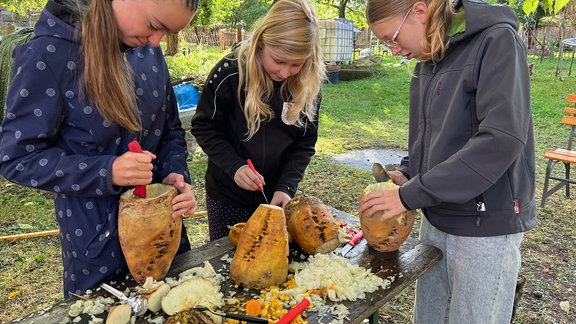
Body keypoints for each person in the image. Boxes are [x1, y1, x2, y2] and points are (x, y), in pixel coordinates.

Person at [0, 0, 199, 297]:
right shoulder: (47, 56)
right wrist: (107, 171)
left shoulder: (147, 49)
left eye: (167, 33)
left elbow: (170, 129)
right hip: (98, 251)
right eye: (156, 25)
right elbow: (16, 158)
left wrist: (175, 175)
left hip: (164, 240)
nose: (156, 42)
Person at [360, 0, 537, 322]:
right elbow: (434, 136)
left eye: (393, 38)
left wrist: (408, 196)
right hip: (438, 214)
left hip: (484, 225)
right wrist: (409, 172)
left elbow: (500, 140)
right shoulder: (429, 57)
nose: (394, 50)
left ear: (419, 11)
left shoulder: (496, 41)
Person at [191, 0, 325, 241]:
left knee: (269, 263)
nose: (285, 73)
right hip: (228, 196)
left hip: (276, 196)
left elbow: (304, 144)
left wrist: (286, 187)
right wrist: (235, 167)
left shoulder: (307, 83)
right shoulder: (230, 73)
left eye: (296, 64)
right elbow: (204, 127)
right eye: (279, 60)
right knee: (227, 264)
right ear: (262, 42)